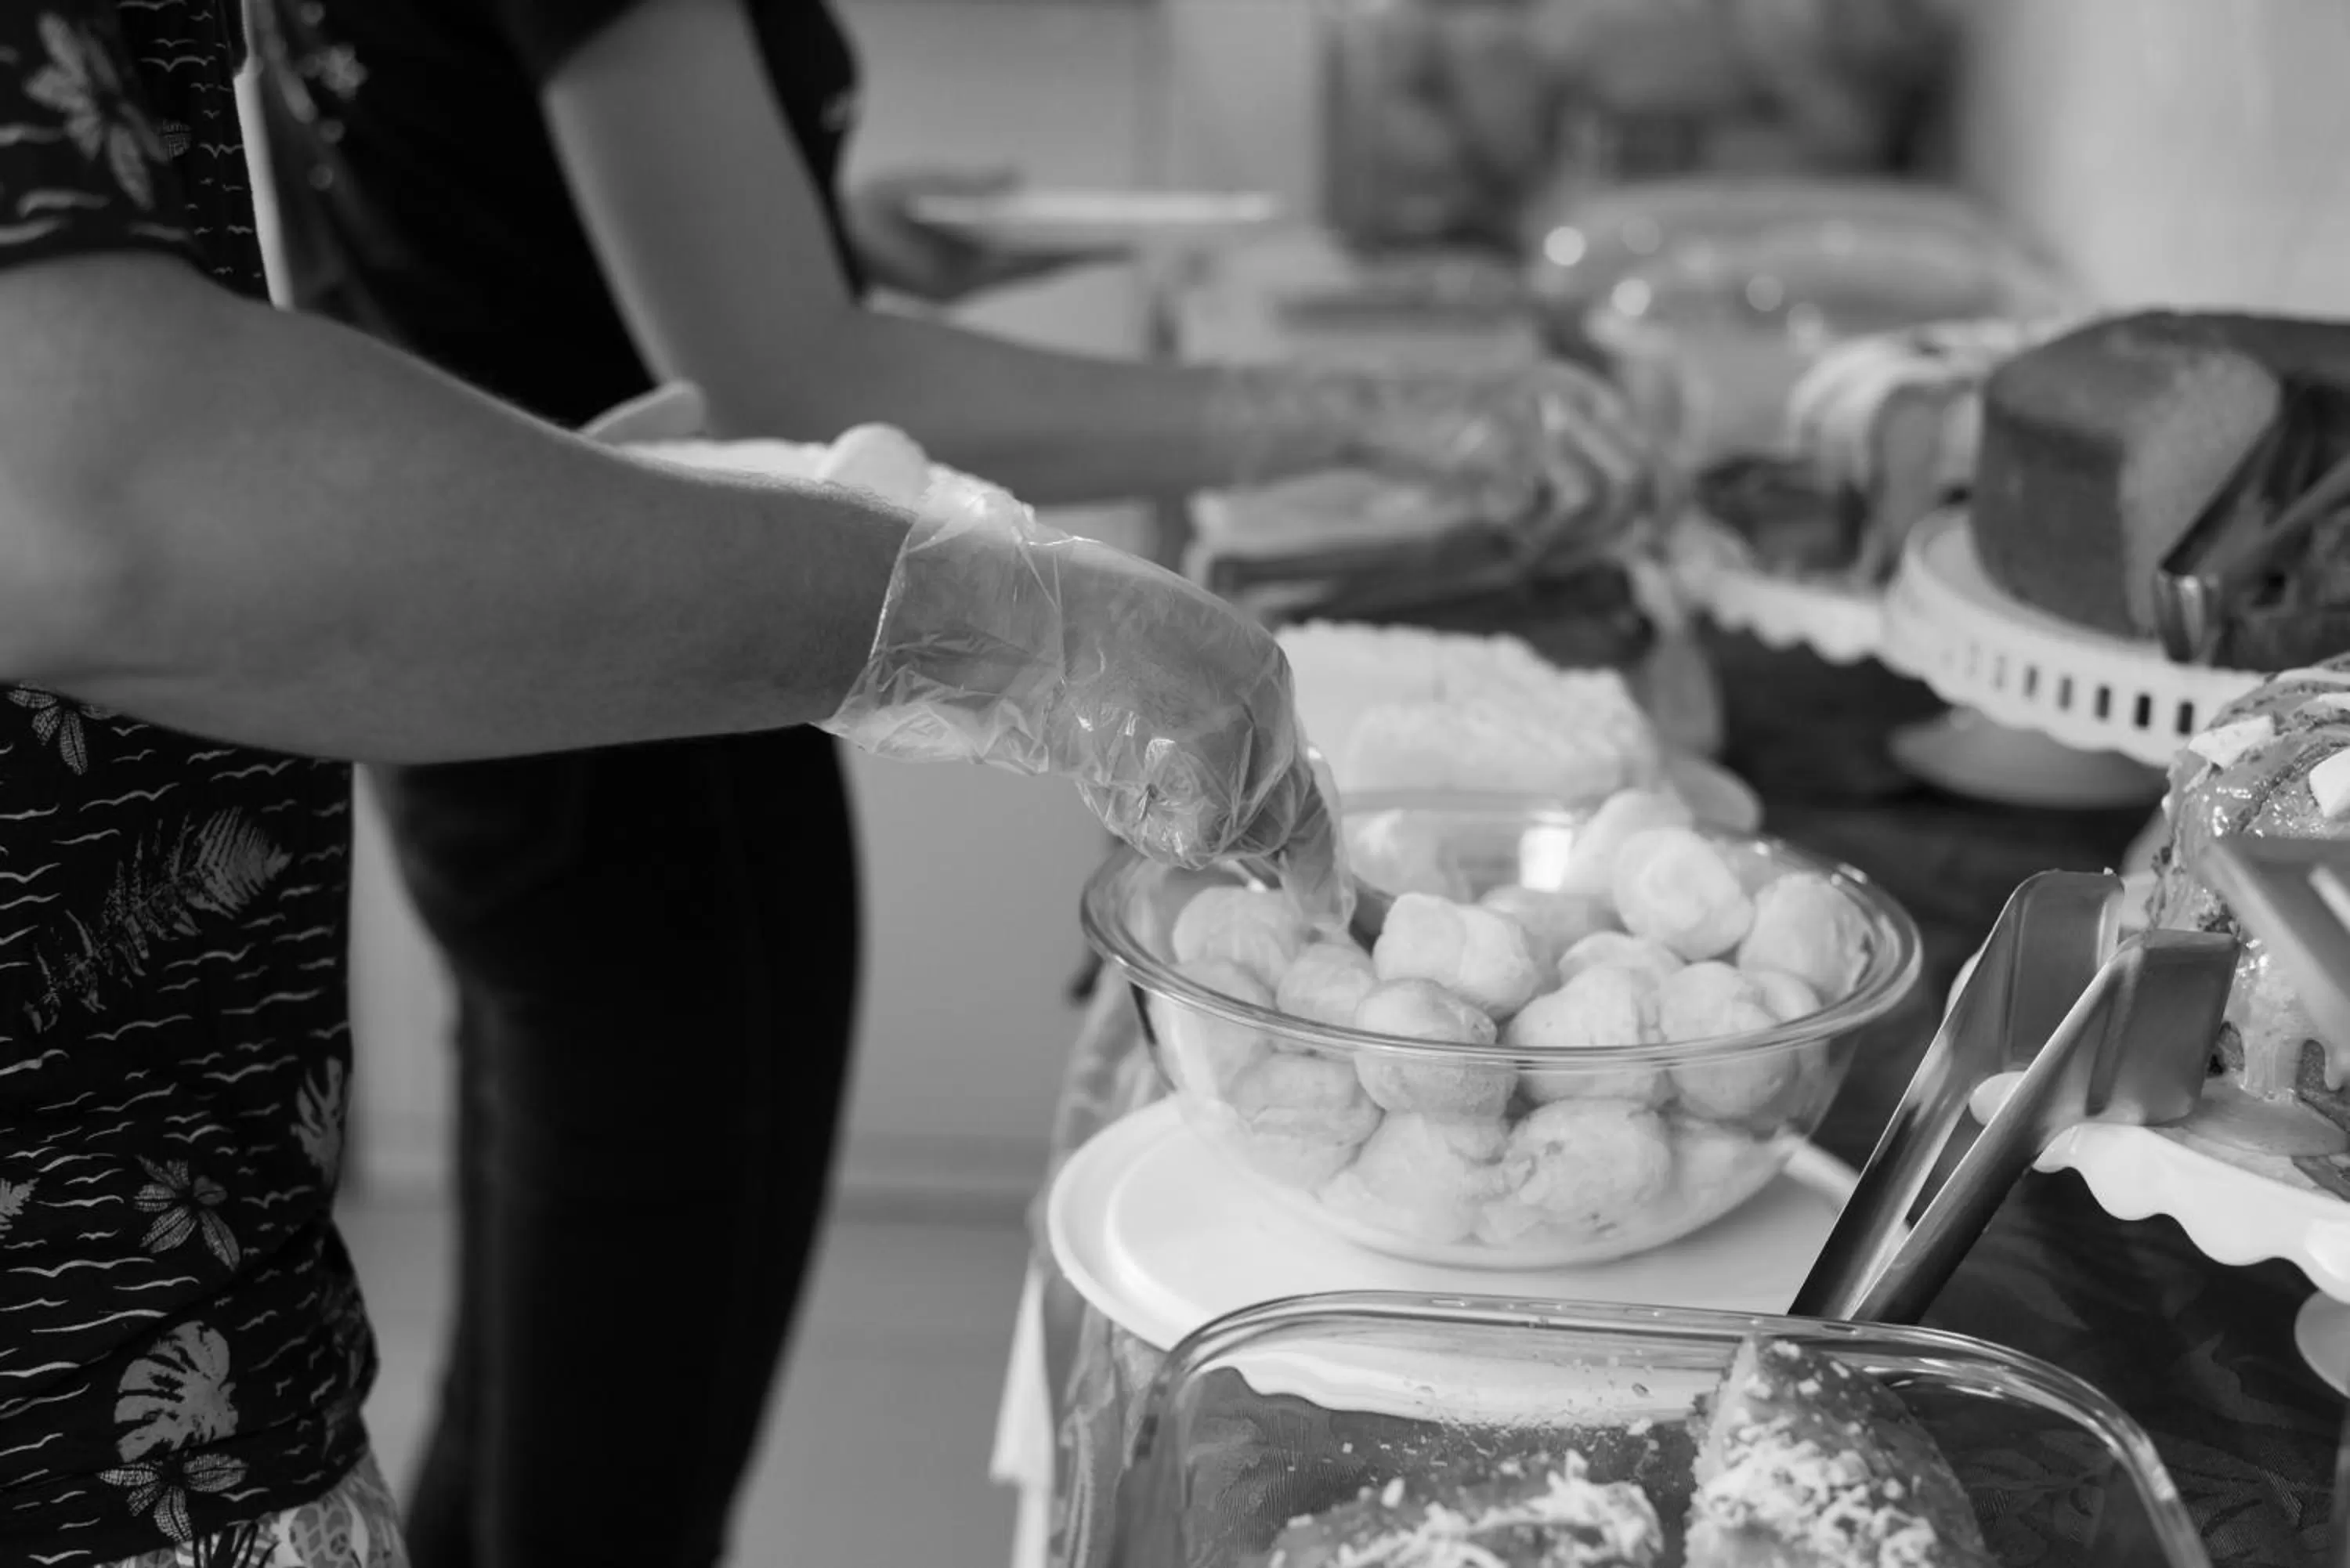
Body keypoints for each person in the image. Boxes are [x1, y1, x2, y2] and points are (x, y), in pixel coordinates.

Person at [242, 3, 1650, 1566]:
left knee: (543, 1359)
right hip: (633, 734)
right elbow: (784, 367)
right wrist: (1344, 415)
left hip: (518, 690)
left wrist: (807, 234)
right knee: (615, 1430)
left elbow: (469, 212)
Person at [0, 2, 1347, 1562]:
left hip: (192, 1207)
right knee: (611, 1424)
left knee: (546, 1392)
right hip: (79, 1356)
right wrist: (996, 624)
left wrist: (556, 470)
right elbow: (103, 492)